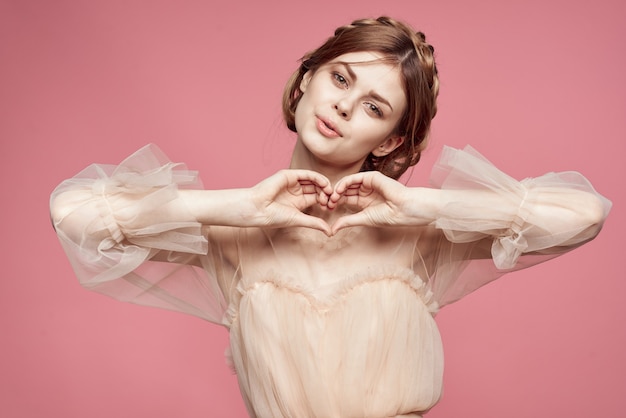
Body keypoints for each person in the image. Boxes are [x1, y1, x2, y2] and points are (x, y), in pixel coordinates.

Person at [50, 16, 611, 418]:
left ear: (391, 139)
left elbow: (583, 215)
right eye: (340, 78)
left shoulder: (417, 231)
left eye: (374, 106)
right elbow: (73, 214)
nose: (345, 105)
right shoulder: (231, 233)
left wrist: (426, 205)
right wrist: (235, 207)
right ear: (305, 82)